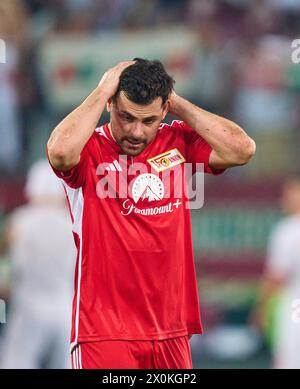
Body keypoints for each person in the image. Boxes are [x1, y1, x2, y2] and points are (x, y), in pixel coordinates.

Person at [46, 58, 256, 369]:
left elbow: (242, 149)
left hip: (171, 331)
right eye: (126, 117)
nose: (135, 131)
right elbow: (60, 152)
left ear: (164, 111)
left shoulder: (177, 140)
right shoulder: (89, 149)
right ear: (109, 105)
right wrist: (102, 89)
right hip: (105, 331)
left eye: (148, 121)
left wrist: (178, 104)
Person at [0, 159, 75, 369]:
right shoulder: (74, 224)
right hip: (65, 310)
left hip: (28, 309)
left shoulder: (19, 221)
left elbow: (4, 259)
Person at [252, 175, 300, 369]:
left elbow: (276, 276)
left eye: (291, 194)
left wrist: (260, 308)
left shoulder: (288, 230)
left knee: (289, 361)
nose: (286, 199)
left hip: (295, 307)